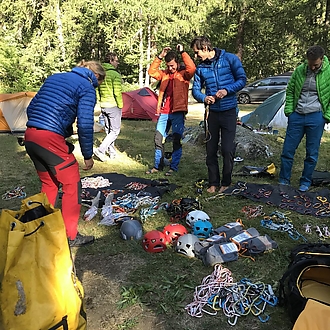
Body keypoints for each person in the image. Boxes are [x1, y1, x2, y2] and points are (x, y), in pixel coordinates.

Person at [24, 60, 106, 247]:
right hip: (49, 139)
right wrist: (87, 154)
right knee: (72, 184)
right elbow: (85, 123)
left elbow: (32, 109)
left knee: (50, 184)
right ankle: (70, 236)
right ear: (97, 77)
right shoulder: (87, 87)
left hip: (30, 135)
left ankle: (41, 229)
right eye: (99, 83)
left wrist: (54, 131)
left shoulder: (55, 77)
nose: (97, 86)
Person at [190, 36, 246, 193]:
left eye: (197, 52)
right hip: (212, 113)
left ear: (206, 49)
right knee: (210, 149)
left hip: (229, 112)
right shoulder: (201, 68)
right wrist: (203, 97)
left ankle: (226, 182)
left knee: (228, 149)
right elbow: (195, 90)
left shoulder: (230, 59)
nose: (196, 56)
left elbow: (242, 79)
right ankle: (213, 183)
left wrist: (227, 90)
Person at [279, 45, 330, 192]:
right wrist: (289, 110)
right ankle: (284, 180)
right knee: (288, 150)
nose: (313, 67)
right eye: (310, 64)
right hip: (297, 115)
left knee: (312, 153)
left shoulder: (328, 72)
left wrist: (326, 115)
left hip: (316, 117)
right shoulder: (300, 70)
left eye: (316, 64)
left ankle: (306, 181)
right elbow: (290, 90)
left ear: (322, 59)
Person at [146, 44, 196, 176]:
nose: (171, 68)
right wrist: (160, 57)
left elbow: (192, 68)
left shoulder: (184, 74)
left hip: (178, 112)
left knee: (176, 139)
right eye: (168, 66)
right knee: (158, 139)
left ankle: (173, 167)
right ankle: (158, 166)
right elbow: (151, 72)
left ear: (178, 63)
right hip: (164, 112)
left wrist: (183, 52)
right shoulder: (165, 74)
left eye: (173, 65)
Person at [94, 52, 123, 161]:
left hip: (104, 106)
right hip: (113, 105)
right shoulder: (114, 74)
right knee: (115, 131)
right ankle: (101, 150)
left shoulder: (100, 74)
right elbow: (117, 92)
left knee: (108, 129)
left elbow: (97, 89)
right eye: (116, 60)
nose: (117, 63)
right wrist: (120, 106)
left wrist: (100, 102)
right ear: (111, 61)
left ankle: (112, 152)